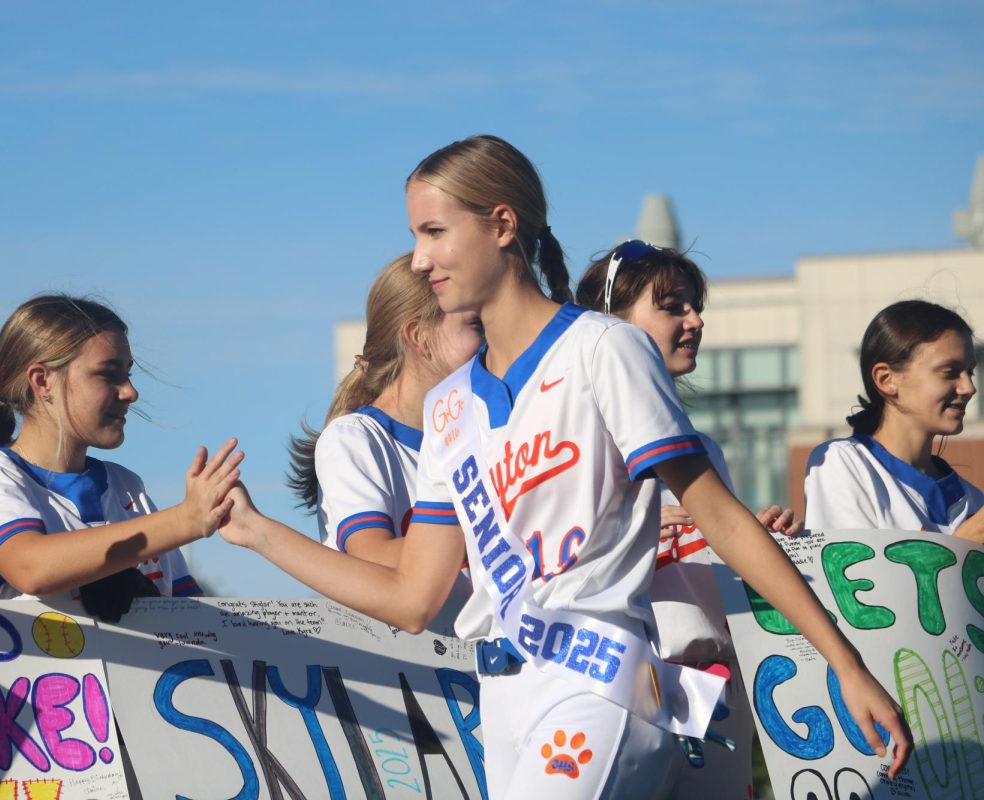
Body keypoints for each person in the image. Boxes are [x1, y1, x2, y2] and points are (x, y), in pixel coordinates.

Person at [220, 135, 910, 799]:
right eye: (415, 237)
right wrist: (256, 532)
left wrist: (844, 663)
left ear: (501, 224)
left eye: (433, 232)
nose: (420, 259)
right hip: (505, 705)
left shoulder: (603, 349)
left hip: (601, 687)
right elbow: (410, 598)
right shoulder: (450, 408)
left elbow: (722, 521)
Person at [576, 241, 800, 798]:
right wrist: (636, 543)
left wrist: (755, 548)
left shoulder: (701, 448)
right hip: (619, 685)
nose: (695, 320)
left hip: (715, 692)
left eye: (695, 305)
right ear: (610, 323)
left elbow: (712, 564)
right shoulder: (575, 440)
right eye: (673, 305)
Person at [0, 294, 242, 620]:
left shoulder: (127, 486)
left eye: (129, 373)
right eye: (108, 374)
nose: (130, 392)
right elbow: (30, 567)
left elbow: (195, 620)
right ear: (42, 380)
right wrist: (184, 520)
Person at [287, 253, 480, 626]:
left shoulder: (475, 432)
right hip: (402, 675)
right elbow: (371, 556)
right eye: (476, 325)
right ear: (419, 336)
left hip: (474, 671)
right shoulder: (353, 440)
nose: (491, 339)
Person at [805, 299, 984, 540]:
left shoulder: (973, 498)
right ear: (886, 379)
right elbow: (855, 574)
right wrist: (965, 546)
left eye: (970, 372)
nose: (969, 387)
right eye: (950, 372)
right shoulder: (844, 463)